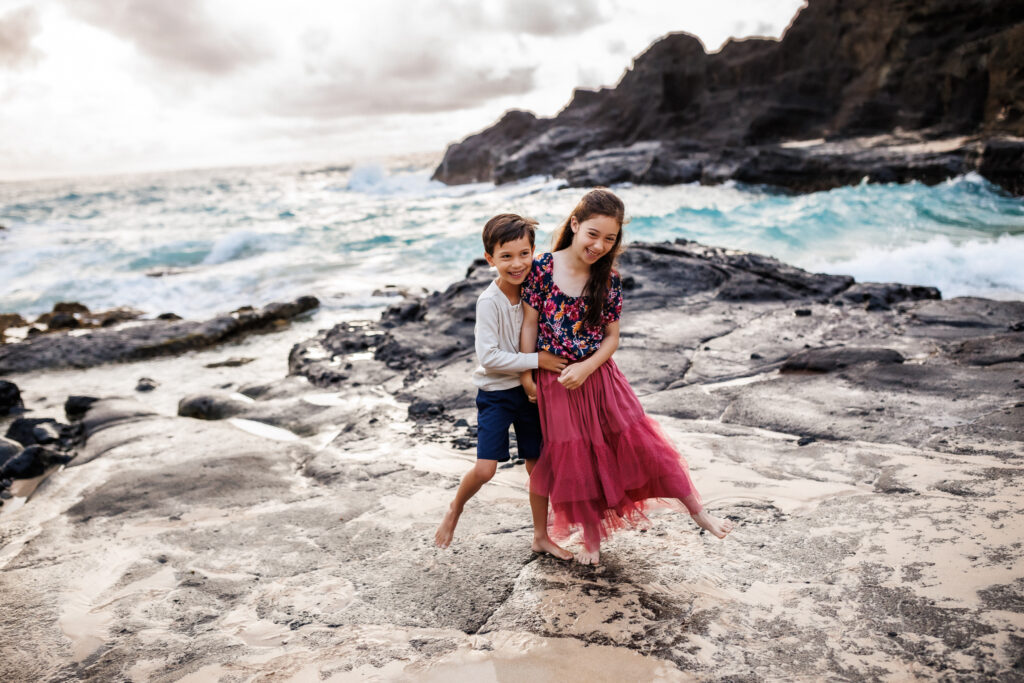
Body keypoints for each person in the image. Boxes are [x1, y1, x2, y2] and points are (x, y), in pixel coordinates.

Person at [519, 188, 734, 565]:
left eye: (610, 238)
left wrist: (586, 367)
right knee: (576, 458)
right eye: (592, 234)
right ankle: (591, 539)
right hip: (557, 383)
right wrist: (527, 373)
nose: (599, 244)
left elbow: (612, 338)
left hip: (599, 377)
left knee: (639, 442)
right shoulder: (540, 269)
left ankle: (697, 510)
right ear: (574, 225)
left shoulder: (609, 280)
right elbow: (529, 325)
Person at [435, 213, 573, 560]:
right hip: (496, 394)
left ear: (534, 251)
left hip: (530, 392)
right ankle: (455, 507)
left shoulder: (538, 286)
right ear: (490, 259)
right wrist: (536, 361)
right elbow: (490, 357)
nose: (517, 264)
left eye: (524, 254)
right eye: (506, 256)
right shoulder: (489, 301)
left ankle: (540, 536)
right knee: (486, 469)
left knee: (538, 466)